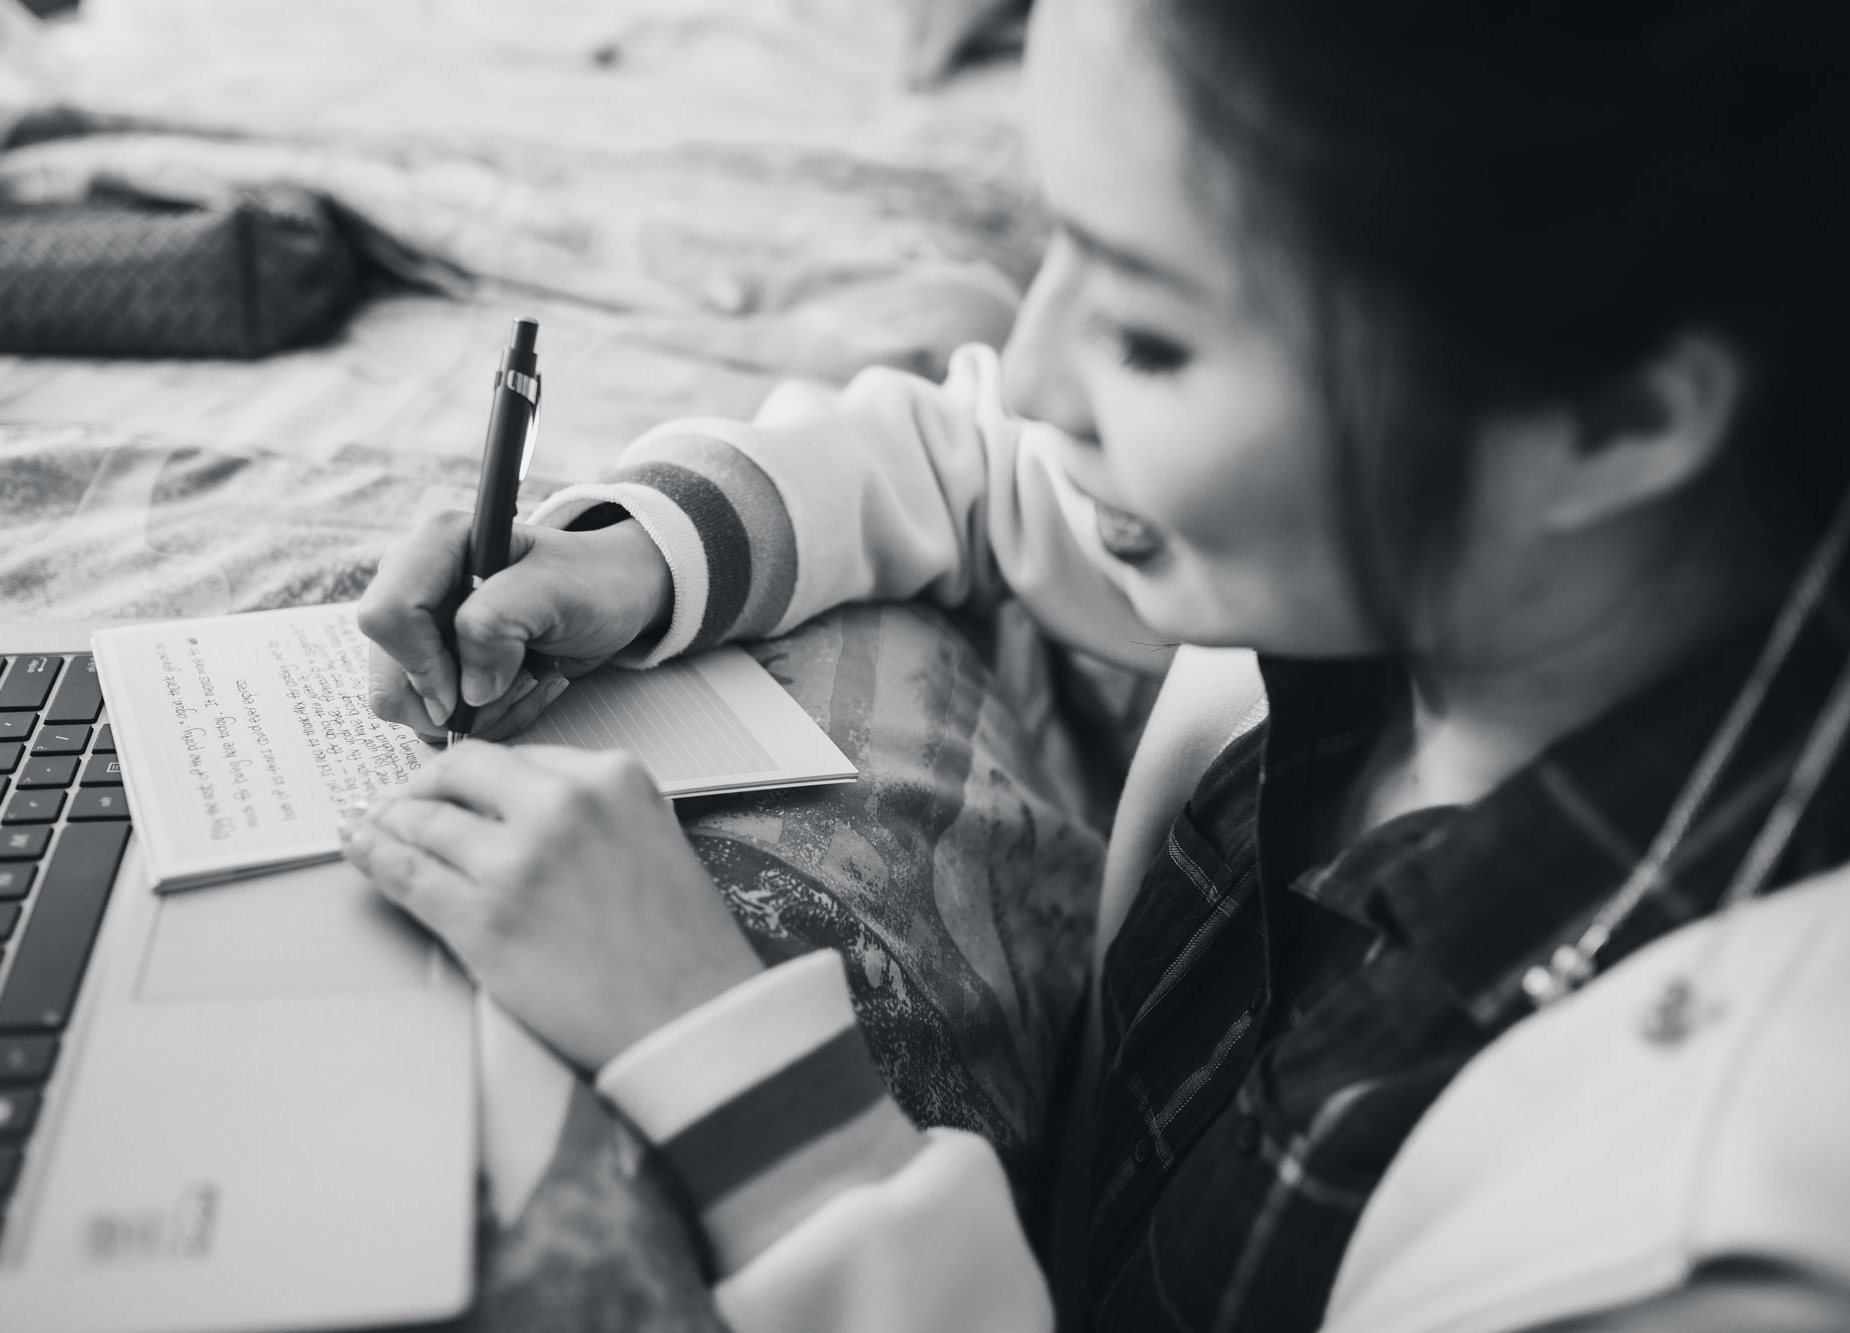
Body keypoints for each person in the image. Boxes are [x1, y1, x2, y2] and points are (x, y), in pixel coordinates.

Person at [350, 0, 1850, 1327]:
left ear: (1613, 424)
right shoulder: (1465, 568)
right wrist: (638, 548)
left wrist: (724, 1058)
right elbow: (977, 455)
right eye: (1050, 240)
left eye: (1146, 331)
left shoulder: (1706, 1235)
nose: (1039, 363)